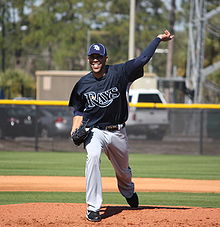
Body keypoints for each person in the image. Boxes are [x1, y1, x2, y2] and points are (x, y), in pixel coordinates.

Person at [68, 30, 174, 222]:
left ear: (105, 58)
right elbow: (78, 110)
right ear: (88, 59)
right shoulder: (82, 84)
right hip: (95, 131)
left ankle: (127, 190)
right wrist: (75, 129)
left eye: (98, 57)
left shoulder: (120, 73)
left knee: (123, 172)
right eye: (92, 57)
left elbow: (142, 59)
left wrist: (158, 39)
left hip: (118, 132)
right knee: (92, 157)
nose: (95, 60)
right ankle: (93, 207)